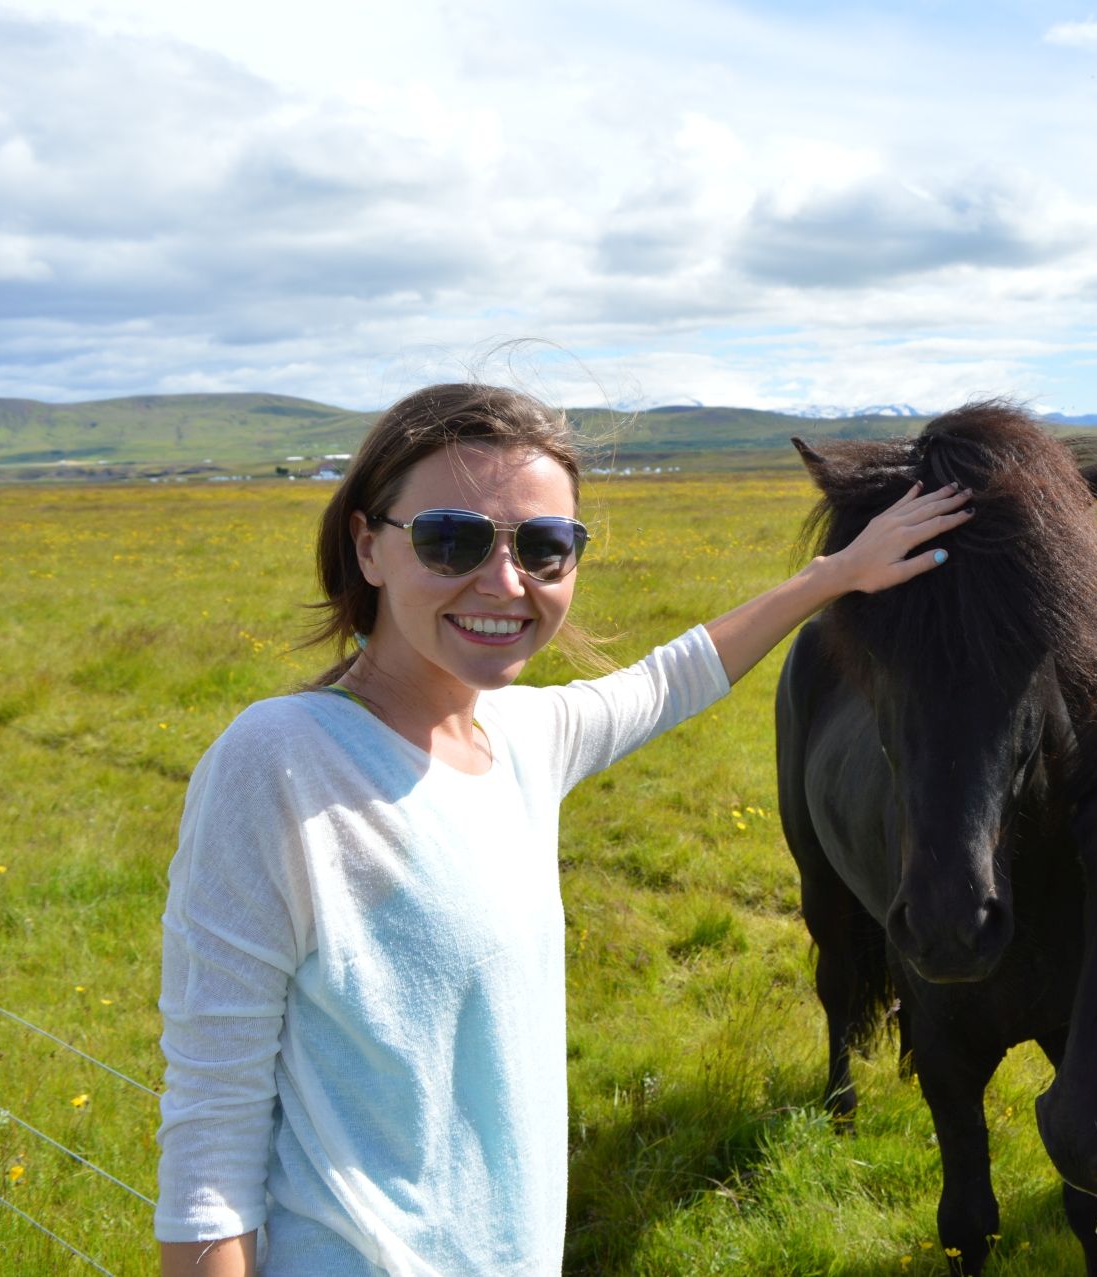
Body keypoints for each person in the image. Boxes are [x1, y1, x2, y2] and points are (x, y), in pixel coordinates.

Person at [154, 383, 974, 1276]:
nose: (505, 582)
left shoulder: (519, 739)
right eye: (452, 537)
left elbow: (671, 678)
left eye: (545, 547)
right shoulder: (279, 762)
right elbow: (210, 1153)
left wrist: (836, 574)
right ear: (368, 545)